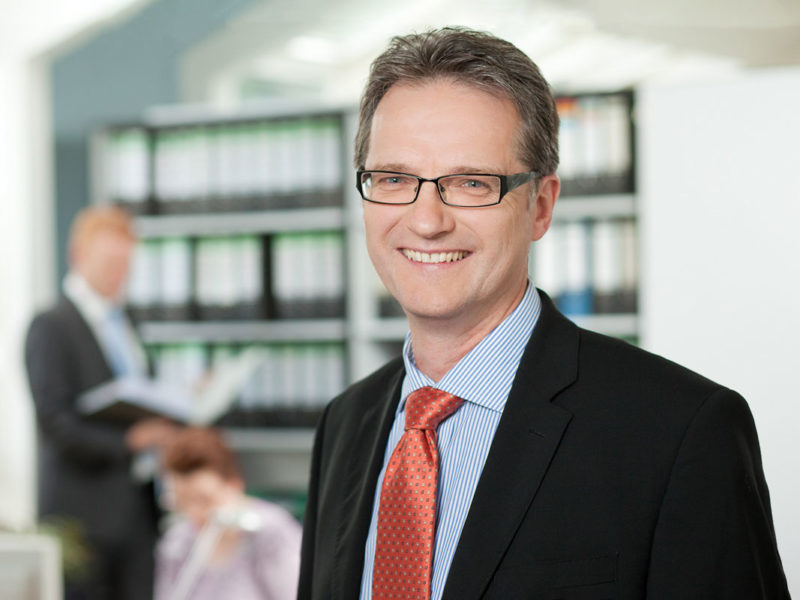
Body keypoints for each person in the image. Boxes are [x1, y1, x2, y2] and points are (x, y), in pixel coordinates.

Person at [297, 27, 789, 599]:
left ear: (541, 206)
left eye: (471, 183)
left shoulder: (679, 432)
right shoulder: (345, 424)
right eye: (394, 179)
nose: (426, 220)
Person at [25, 205, 177, 599]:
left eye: (127, 263)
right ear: (79, 255)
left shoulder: (127, 322)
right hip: (83, 520)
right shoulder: (51, 326)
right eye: (111, 261)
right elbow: (55, 422)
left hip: (138, 513)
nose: (120, 273)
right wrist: (130, 441)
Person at [155, 427, 302, 600]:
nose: (195, 513)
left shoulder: (269, 531)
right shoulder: (178, 541)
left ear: (234, 484)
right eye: (183, 502)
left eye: (204, 500)